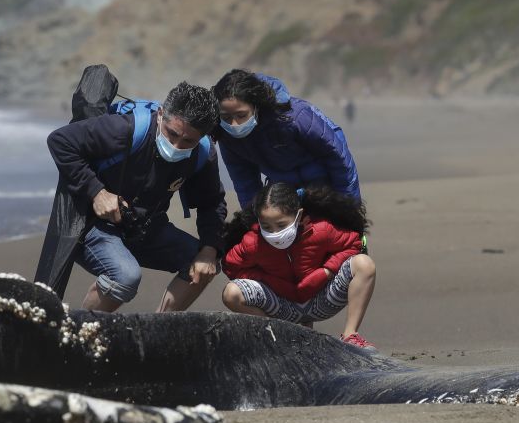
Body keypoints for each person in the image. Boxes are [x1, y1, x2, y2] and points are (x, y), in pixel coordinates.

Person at [41, 81, 226, 313]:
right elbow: (60, 141)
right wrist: (97, 192)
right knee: (126, 276)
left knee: (200, 263)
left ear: (203, 136)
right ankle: (84, 337)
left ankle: (161, 329)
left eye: (188, 141)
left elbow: (212, 203)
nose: (176, 145)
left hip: (143, 227)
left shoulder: (203, 154)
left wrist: (210, 250)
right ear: (160, 115)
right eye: (172, 133)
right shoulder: (124, 129)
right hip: (94, 224)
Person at [221, 182, 376, 348]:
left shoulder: (321, 231)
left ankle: (350, 335)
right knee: (231, 293)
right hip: (280, 308)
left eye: (281, 225)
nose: (275, 233)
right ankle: (276, 336)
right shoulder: (253, 243)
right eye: (266, 226)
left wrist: (327, 271)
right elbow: (231, 265)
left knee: (364, 264)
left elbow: (353, 244)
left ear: (299, 215)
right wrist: (265, 279)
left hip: (322, 301)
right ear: (258, 221)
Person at [212, 69, 360, 208]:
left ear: (256, 106)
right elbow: (245, 183)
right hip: (283, 192)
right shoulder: (226, 135)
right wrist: (253, 221)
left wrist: (349, 209)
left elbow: (339, 159)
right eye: (226, 117)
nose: (234, 124)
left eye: (241, 115)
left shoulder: (294, 117)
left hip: (325, 186)